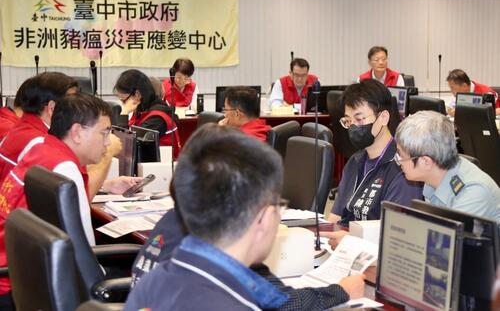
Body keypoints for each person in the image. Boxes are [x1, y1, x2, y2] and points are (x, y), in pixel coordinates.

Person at [125, 125, 364, 310]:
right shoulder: (232, 301)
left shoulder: (159, 278)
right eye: (278, 206)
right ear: (264, 217)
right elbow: (283, 303)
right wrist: (339, 292)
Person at [0, 93, 140, 308]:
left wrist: (106, 185)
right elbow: (86, 254)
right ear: (76, 132)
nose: (107, 142)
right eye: (104, 133)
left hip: (21, 276)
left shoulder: (42, 147)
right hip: (27, 283)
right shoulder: (66, 170)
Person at [323, 80, 423, 247]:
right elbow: (335, 217)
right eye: (348, 121)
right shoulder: (355, 161)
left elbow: (397, 238)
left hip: (374, 253)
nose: (353, 127)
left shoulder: (403, 168)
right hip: (343, 247)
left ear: (383, 117)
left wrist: (350, 241)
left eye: (359, 119)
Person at [395, 111, 499, 221]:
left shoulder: (472, 194)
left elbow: (446, 231)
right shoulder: (434, 176)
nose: (398, 161)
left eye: (401, 156)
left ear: (426, 162)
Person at [0, 72, 79, 182]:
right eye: (72, 105)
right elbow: (72, 191)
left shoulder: (22, 129)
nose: (77, 111)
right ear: (52, 108)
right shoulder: (41, 143)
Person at [114, 69, 181, 158]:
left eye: (124, 100)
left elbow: (125, 147)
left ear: (137, 94)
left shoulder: (157, 118)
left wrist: (124, 113)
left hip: (162, 166)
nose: (124, 104)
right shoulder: (143, 111)